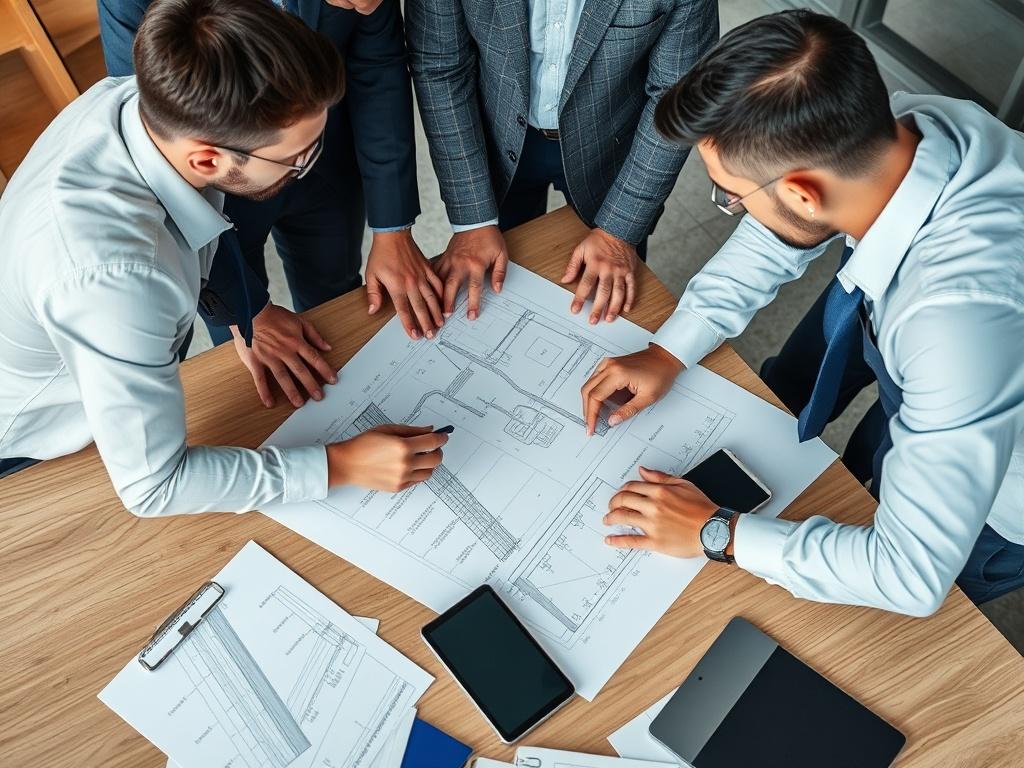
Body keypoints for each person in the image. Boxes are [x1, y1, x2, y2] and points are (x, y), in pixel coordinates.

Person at [580, 10, 1024, 616]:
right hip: (953, 358)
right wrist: (669, 349)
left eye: (731, 195)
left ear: (801, 193)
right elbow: (780, 232)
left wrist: (718, 532)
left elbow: (909, 576)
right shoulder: (916, 127)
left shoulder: (951, 330)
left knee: (926, 615)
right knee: (871, 451)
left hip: (1002, 500)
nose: (735, 205)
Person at [0, 0, 447, 510]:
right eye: (296, 159)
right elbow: (154, 487)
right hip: (30, 450)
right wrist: (340, 465)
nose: (308, 165)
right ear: (208, 160)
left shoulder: (128, 101)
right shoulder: (119, 279)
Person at [100, 0, 443, 403]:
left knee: (337, 297)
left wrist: (392, 228)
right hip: (211, 204)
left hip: (327, 160)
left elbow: (378, 64)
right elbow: (162, 154)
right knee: (260, 369)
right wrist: (245, 315)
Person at [405, 0, 718, 326]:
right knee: (498, 291)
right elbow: (440, 66)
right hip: (495, 141)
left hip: (613, 148)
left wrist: (619, 232)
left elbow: (678, 95)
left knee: (610, 303)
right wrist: (472, 220)